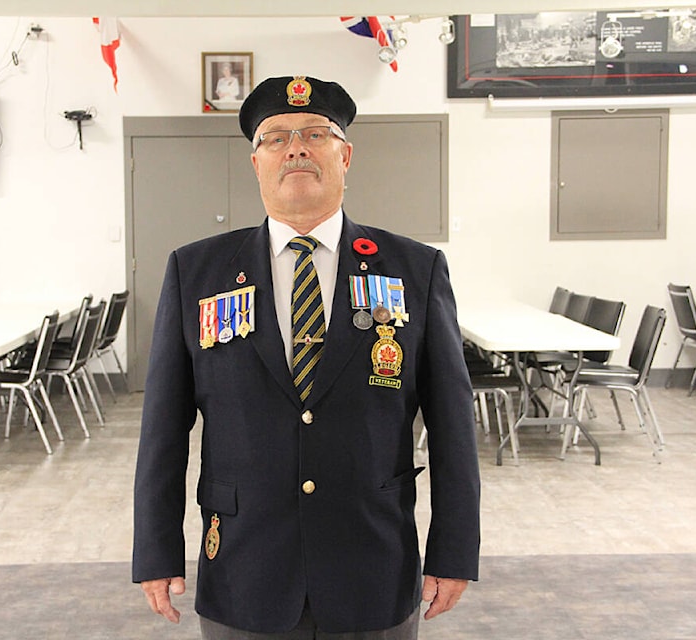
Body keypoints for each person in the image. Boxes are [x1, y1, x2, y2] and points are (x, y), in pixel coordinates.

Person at [133, 75, 480, 639]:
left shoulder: (414, 270)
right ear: (256, 164)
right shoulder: (196, 272)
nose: (296, 146)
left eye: (316, 134)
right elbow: (163, 429)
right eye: (275, 138)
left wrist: (455, 549)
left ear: (345, 156)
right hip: (244, 566)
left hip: (372, 562)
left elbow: (452, 425)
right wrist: (156, 548)